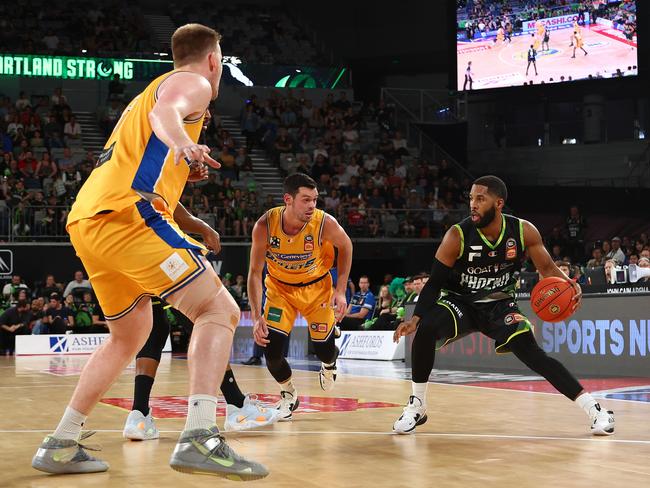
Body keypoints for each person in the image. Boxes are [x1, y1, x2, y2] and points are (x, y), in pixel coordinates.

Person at [32, 23, 268, 480]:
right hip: (127, 216)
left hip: (91, 221)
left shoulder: (142, 100)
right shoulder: (191, 82)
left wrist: (189, 218)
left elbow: (142, 159)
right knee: (218, 309)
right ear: (214, 60)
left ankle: (61, 441)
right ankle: (200, 435)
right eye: (220, 61)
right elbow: (169, 115)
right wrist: (183, 143)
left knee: (130, 334)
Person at [392, 175, 615, 437]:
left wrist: (569, 283)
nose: (472, 204)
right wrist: (415, 319)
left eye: (480, 199)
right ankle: (418, 405)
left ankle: (596, 410)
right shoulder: (457, 235)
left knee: (533, 353)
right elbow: (434, 283)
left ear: (498, 203)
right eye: (471, 198)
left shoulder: (523, 231)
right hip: (460, 301)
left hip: (499, 304)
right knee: (427, 328)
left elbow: (545, 268)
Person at [248, 173, 352, 420]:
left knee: (324, 350)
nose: (312, 206)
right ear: (288, 199)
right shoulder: (265, 226)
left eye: (315, 200)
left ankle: (329, 364)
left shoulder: (324, 223)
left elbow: (346, 246)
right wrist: (255, 316)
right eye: (305, 200)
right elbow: (254, 273)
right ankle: (288, 393)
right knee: (271, 352)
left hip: (317, 290)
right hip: (279, 291)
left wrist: (340, 290)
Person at [123, 298, 279, 439]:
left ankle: (139, 415)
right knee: (208, 320)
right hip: (166, 270)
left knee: (155, 328)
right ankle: (236, 404)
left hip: (137, 274)